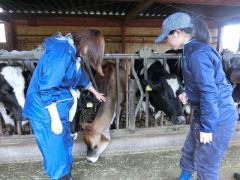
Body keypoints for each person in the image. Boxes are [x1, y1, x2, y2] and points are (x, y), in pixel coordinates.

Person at [155, 12, 238, 180]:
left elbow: (209, 92)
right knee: (190, 150)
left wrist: (207, 127)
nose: (166, 41)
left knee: (206, 165)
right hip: (205, 113)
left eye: (167, 37)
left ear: (177, 33)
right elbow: (206, 83)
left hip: (217, 118)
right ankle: (184, 178)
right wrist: (189, 92)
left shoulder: (197, 54)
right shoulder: (190, 50)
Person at [22, 29, 106, 180]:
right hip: (46, 112)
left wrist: (95, 92)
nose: (89, 55)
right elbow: (47, 87)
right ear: (86, 44)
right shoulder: (61, 53)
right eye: (91, 51)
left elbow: (80, 77)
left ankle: (67, 176)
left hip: (60, 108)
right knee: (56, 153)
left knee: (65, 147)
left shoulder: (73, 55)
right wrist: (54, 118)